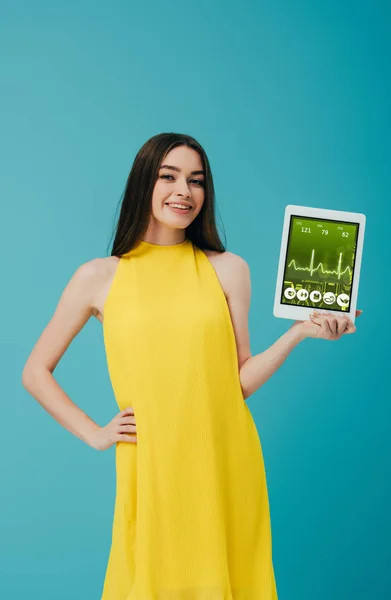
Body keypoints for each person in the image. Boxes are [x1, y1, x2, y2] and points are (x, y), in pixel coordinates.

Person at [21, 132, 361, 599]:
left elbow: (237, 380)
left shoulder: (229, 269)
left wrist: (299, 332)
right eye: (169, 176)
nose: (184, 190)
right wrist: (95, 433)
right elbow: (35, 371)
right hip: (154, 465)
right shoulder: (99, 277)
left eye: (196, 180)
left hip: (223, 458)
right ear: (145, 182)